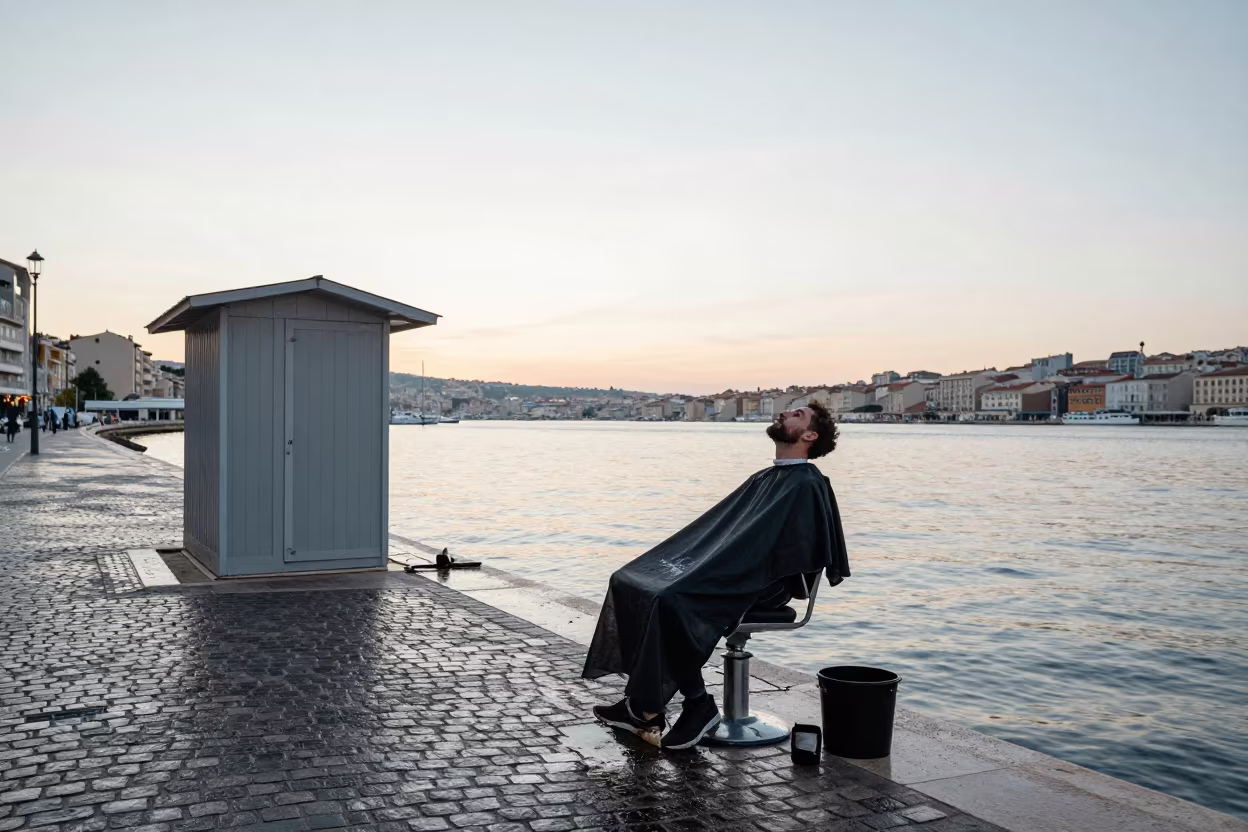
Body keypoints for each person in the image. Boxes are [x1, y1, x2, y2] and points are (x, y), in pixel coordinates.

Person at [583, 402, 850, 750]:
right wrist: (698, 561)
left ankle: (697, 705)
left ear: (810, 435)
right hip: (736, 572)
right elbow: (724, 532)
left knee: (671, 599)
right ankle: (641, 707)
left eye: (797, 415)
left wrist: (719, 568)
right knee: (628, 580)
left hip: (766, 585)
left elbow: (792, 551)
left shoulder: (804, 484)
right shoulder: (768, 477)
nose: (785, 414)